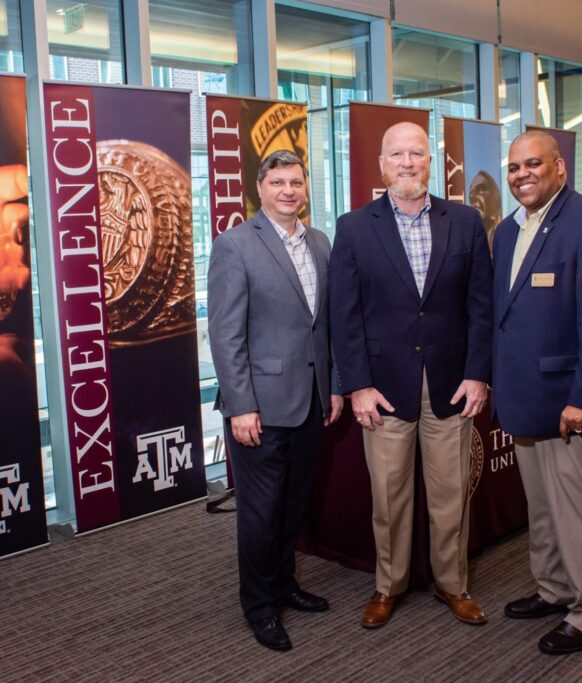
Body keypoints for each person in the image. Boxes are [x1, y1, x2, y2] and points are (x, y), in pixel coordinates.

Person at [329, 122, 494, 629]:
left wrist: (478, 374)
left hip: (451, 383)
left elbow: (481, 307)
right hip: (382, 389)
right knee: (390, 498)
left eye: (416, 154)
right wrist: (356, 384)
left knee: (450, 497)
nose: (407, 162)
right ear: (382, 165)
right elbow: (345, 314)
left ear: (431, 161)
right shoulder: (354, 227)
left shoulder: (465, 222)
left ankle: (452, 584)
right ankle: (388, 586)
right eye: (396, 154)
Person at [491, 130, 582, 655]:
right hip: (525, 399)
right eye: (513, 167)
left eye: (533, 164)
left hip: (570, 402)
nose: (522, 175)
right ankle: (552, 589)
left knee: (578, 509)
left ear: (559, 168)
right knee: (544, 507)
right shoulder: (506, 231)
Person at [207, 150, 343, 651]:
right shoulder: (235, 246)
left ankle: (285, 584)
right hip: (258, 408)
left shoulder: (321, 242)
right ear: (260, 189)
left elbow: (324, 325)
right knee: (260, 513)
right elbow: (225, 336)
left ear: (305, 188)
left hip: (311, 401)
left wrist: (333, 386)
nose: (288, 190)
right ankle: (260, 606)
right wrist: (241, 405)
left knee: (292, 506)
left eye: (296, 182)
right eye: (278, 182)